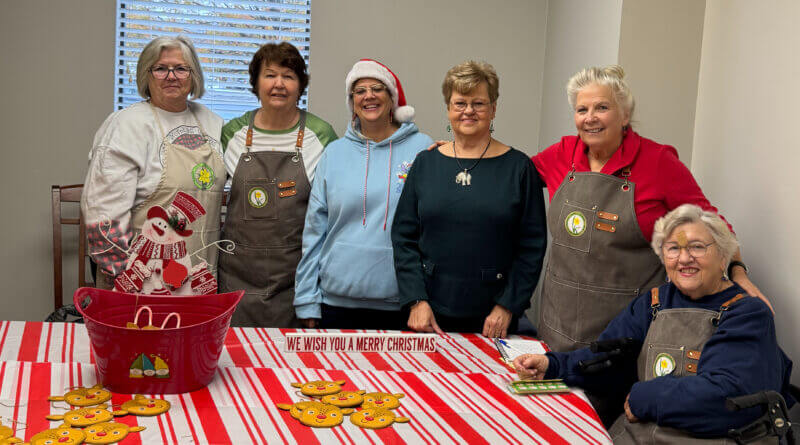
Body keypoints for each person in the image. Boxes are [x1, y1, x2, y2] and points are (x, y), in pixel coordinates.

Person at [532, 65, 767, 353]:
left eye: (602, 107)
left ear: (625, 115)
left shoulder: (658, 161)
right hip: (558, 325)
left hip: (628, 329)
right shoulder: (562, 153)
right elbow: (513, 178)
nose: (590, 118)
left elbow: (711, 224)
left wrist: (737, 271)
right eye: (582, 110)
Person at [513, 204, 794, 443]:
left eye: (697, 247)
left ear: (723, 257)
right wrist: (554, 365)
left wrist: (644, 397)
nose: (684, 258)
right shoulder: (656, 301)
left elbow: (725, 400)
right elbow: (607, 357)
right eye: (673, 249)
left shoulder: (748, 314)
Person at [392, 61, 547, 338]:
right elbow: (404, 237)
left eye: (479, 103)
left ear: (494, 109)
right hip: (427, 313)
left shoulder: (519, 169)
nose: (468, 111)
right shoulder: (426, 164)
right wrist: (416, 300)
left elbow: (532, 247)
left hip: (494, 318)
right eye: (460, 103)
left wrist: (508, 306)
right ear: (448, 109)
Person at [294, 59, 433, 329]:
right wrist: (307, 298)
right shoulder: (334, 153)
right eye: (359, 91)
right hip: (335, 303)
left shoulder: (422, 149)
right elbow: (314, 231)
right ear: (352, 102)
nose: (369, 96)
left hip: (404, 304)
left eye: (377, 88)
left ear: (392, 99)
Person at [82, 36, 224, 292]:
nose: (171, 76)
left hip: (200, 277)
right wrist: (126, 279)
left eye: (181, 68)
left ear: (194, 75)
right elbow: (102, 214)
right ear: (145, 75)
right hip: (140, 283)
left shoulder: (213, 123)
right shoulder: (126, 125)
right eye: (160, 68)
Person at [217, 42, 336, 327]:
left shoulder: (321, 135)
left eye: (289, 76)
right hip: (236, 280)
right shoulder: (232, 133)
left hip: (294, 282)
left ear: (300, 85)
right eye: (270, 75)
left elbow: (332, 212)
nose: (279, 84)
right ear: (256, 83)